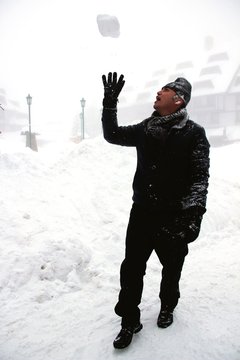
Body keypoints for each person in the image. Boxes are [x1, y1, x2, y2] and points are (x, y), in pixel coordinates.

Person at [101, 72, 210, 349]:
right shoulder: (147, 128)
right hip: (142, 213)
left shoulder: (194, 134)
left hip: (173, 215)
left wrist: (193, 216)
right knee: (132, 268)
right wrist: (109, 104)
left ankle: (167, 306)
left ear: (178, 100)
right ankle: (129, 320)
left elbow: (199, 178)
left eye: (164, 90)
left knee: (172, 267)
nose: (157, 92)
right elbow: (112, 135)